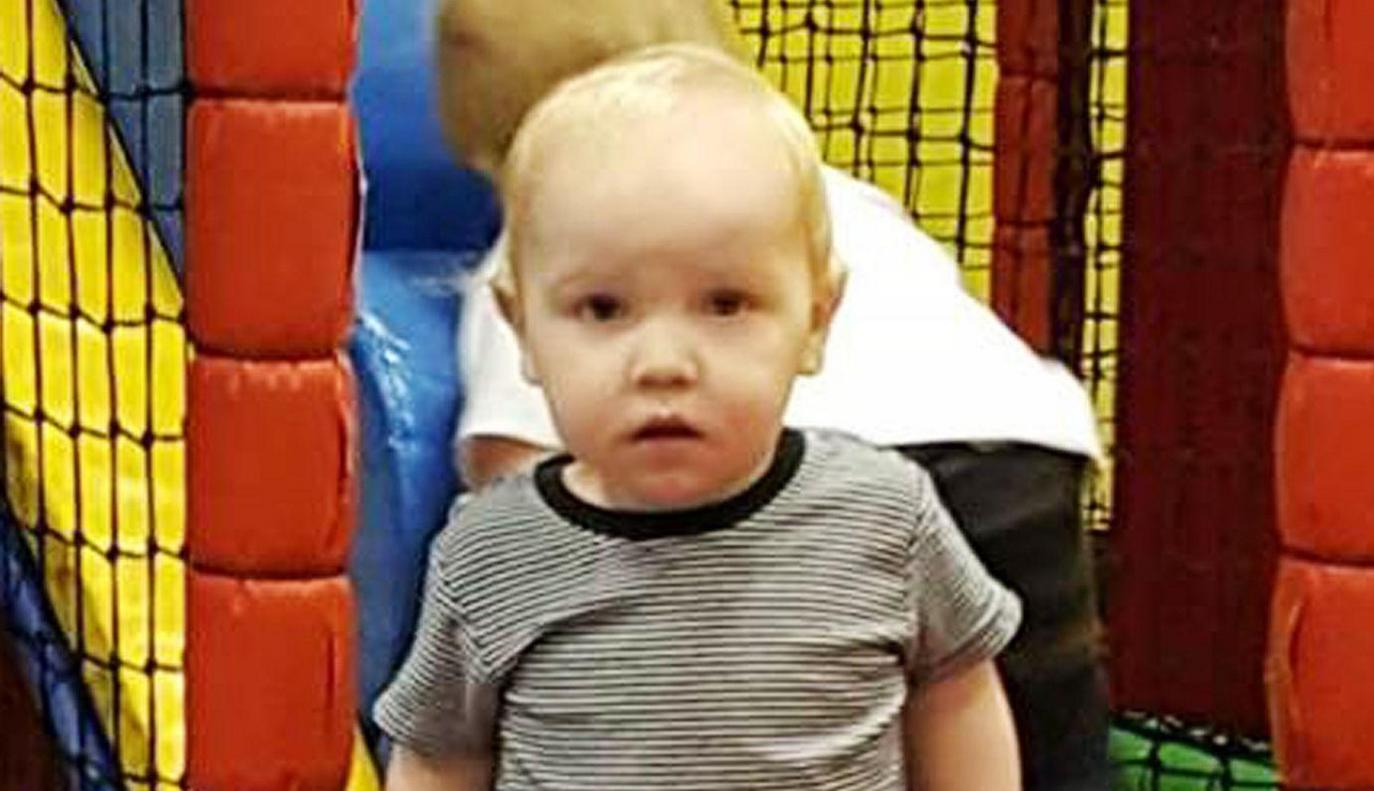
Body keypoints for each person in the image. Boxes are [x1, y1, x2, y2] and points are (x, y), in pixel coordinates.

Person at [437, 2, 1110, 789]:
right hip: (1023, 452)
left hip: (827, 484)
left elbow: (524, 486)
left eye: (723, 305)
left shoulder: (548, 252)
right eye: (608, 311)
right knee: (1017, 716)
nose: (661, 360)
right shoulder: (827, 197)